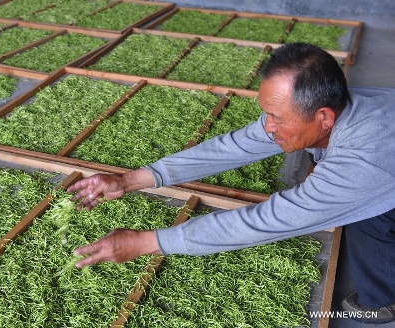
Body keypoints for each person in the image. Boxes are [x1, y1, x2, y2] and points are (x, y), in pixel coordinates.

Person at [67, 42, 395, 324]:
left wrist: (146, 243)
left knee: (368, 218)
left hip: (383, 168)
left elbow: (271, 220)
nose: (268, 127)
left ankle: (381, 305)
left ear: (324, 117)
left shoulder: (363, 160)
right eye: (266, 113)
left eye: (277, 118)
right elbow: (238, 144)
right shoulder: (338, 106)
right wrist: (130, 180)